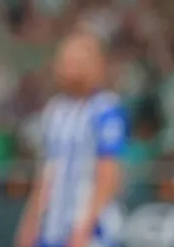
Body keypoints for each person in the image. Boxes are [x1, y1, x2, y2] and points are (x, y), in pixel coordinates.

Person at [17, 30, 128, 247]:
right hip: (52, 229)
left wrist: (84, 229)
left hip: (92, 231)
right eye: (66, 61)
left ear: (96, 65)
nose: (70, 68)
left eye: (78, 61)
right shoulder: (54, 111)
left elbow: (109, 174)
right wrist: (29, 225)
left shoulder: (105, 108)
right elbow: (46, 175)